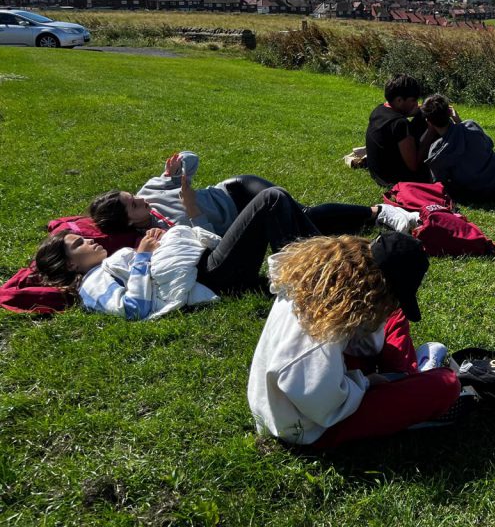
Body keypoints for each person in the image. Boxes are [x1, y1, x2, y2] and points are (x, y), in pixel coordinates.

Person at [247, 232, 461, 447]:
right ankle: (413, 382)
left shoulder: (327, 287)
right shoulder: (320, 335)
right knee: (448, 385)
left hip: (309, 397)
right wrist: (367, 383)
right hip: (312, 426)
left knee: (395, 314)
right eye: (392, 295)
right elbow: (322, 405)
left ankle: (407, 377)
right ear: (378, 286)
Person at [33, 186, 356, 317]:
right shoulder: (92, 284)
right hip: (211, 277)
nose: (89, 242)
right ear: (72, 266)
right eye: (78, 246)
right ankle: (333, 269)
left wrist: (160, 245)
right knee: (271, 200)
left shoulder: (101, 268)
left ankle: (332, 263)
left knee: (277, 202)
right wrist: (145, 255)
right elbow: (134, 309)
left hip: (206, 270)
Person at [88, 151, 418, 237]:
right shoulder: (159, 237)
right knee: (300, 220)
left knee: (299, 213)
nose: (141, 199)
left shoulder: (152, 189)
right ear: (128, 221)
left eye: (134, 196)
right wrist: (192, 209)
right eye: (134, 205)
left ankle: (376, 213)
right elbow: (211, 243)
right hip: (241, 221)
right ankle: (374, 216)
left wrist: (180, 169)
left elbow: (192, 158)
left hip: (238, 188)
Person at [365, 75, 432, 187]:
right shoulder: (399, 123)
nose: (416, 104)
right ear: (399, 100)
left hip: (378, 173)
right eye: (413, 100)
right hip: (395, 178)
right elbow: (414, 165)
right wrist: (431, 131)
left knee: (422, 115)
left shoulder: (379, 110)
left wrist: (423, 110)